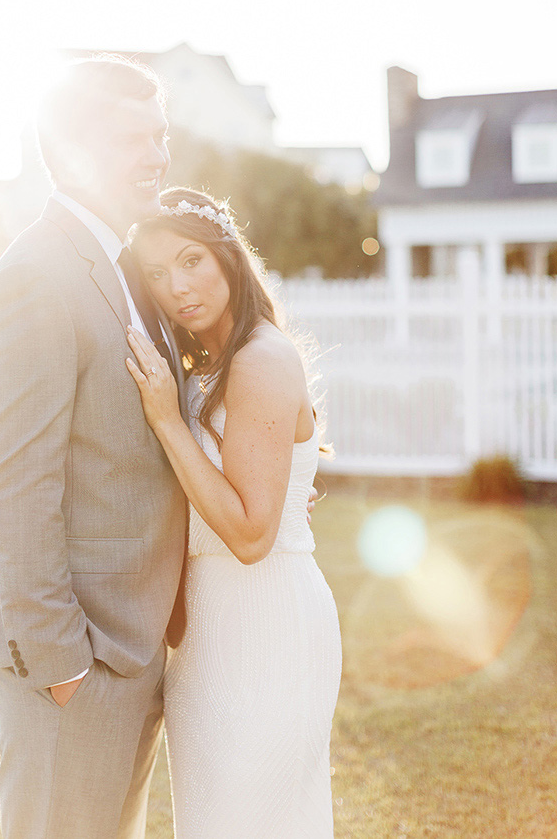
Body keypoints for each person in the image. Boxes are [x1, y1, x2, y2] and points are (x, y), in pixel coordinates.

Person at [0, 55, 189, 839]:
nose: (158, 155)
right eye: (134, 139)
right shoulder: (35, 277)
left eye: (162, 136)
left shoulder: (124, 266)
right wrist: (63, 668)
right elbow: (16, 486)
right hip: (75, 662)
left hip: (135, 646)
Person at [126, 187, 342, 839]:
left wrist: (167, 421)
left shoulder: (260, 358)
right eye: (158, 274)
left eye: (191, 261)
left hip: (263, 624)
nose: (178, 287)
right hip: (211, 632)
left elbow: (251, 535)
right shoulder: (213, 361)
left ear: (227, 255)